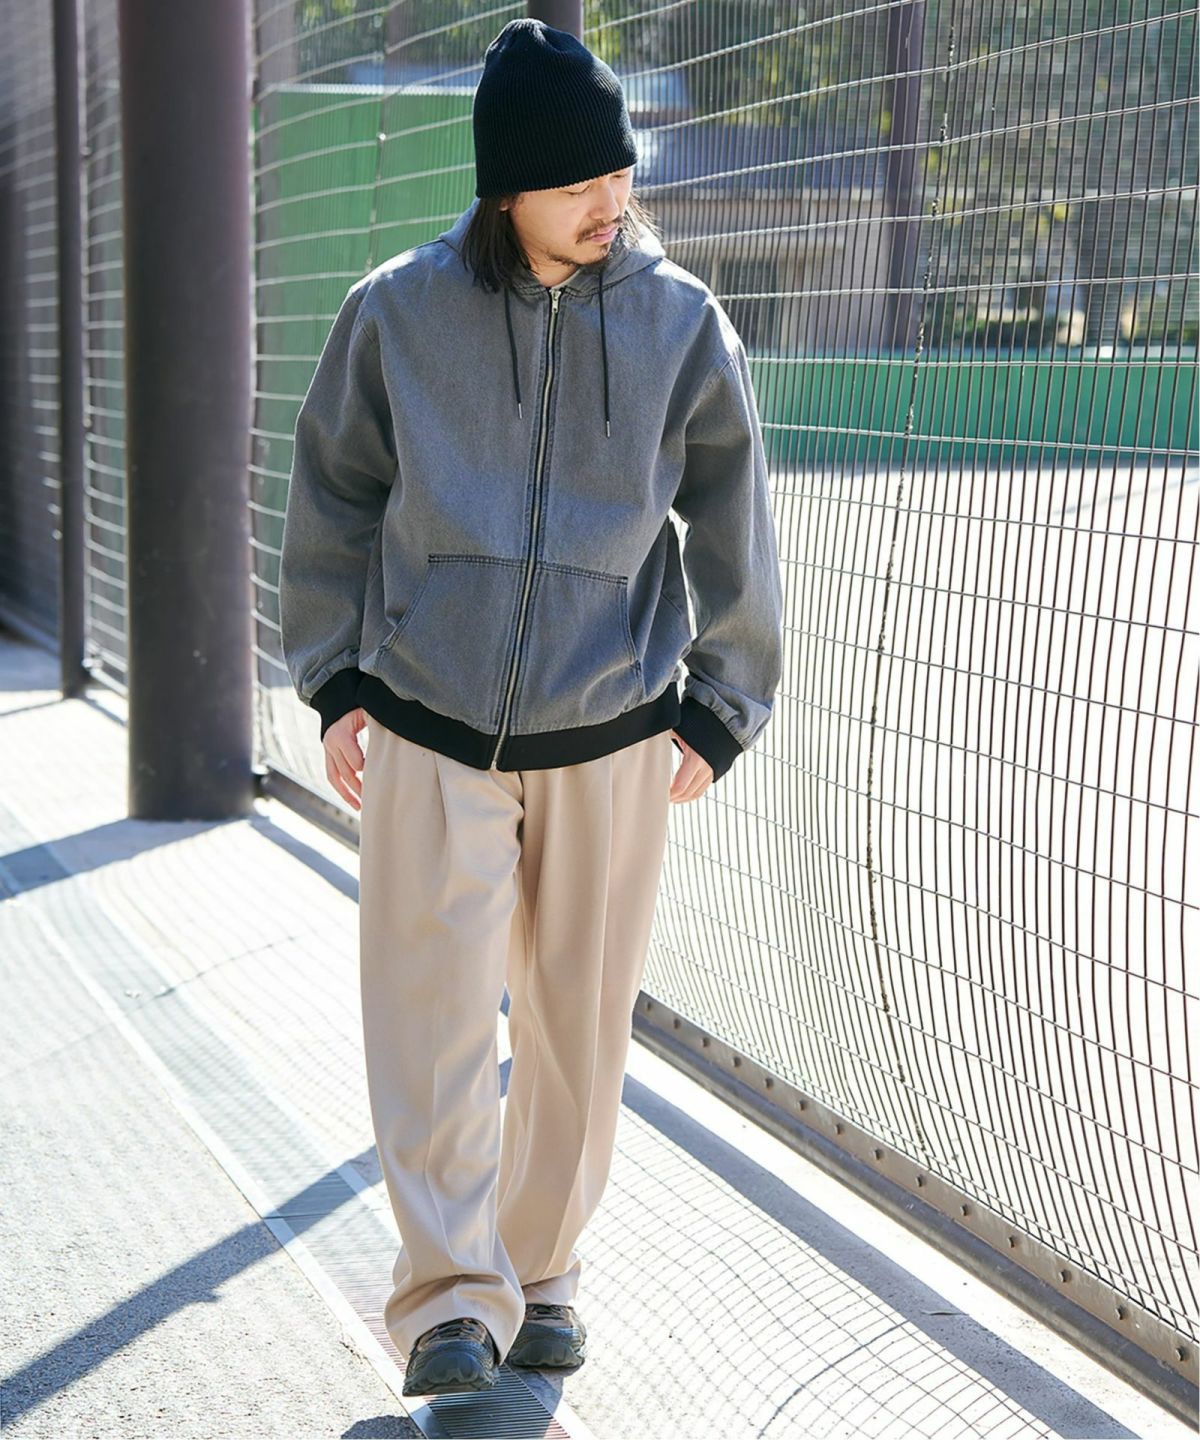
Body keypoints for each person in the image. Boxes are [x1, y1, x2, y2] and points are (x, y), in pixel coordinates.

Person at [278, 16, 784, 1399]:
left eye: (619, 172)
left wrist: (722, 702)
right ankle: (451, 1300)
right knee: (430, 1018)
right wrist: (333, 678)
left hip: (612, 729)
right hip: (430, 720)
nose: (611, 200)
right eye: (577, 183)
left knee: (577, 1029)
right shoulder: (397, 311)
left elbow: (735, 512)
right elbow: (332, 494)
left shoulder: (680, 323)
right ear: (507, 189)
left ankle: (542, 1272)